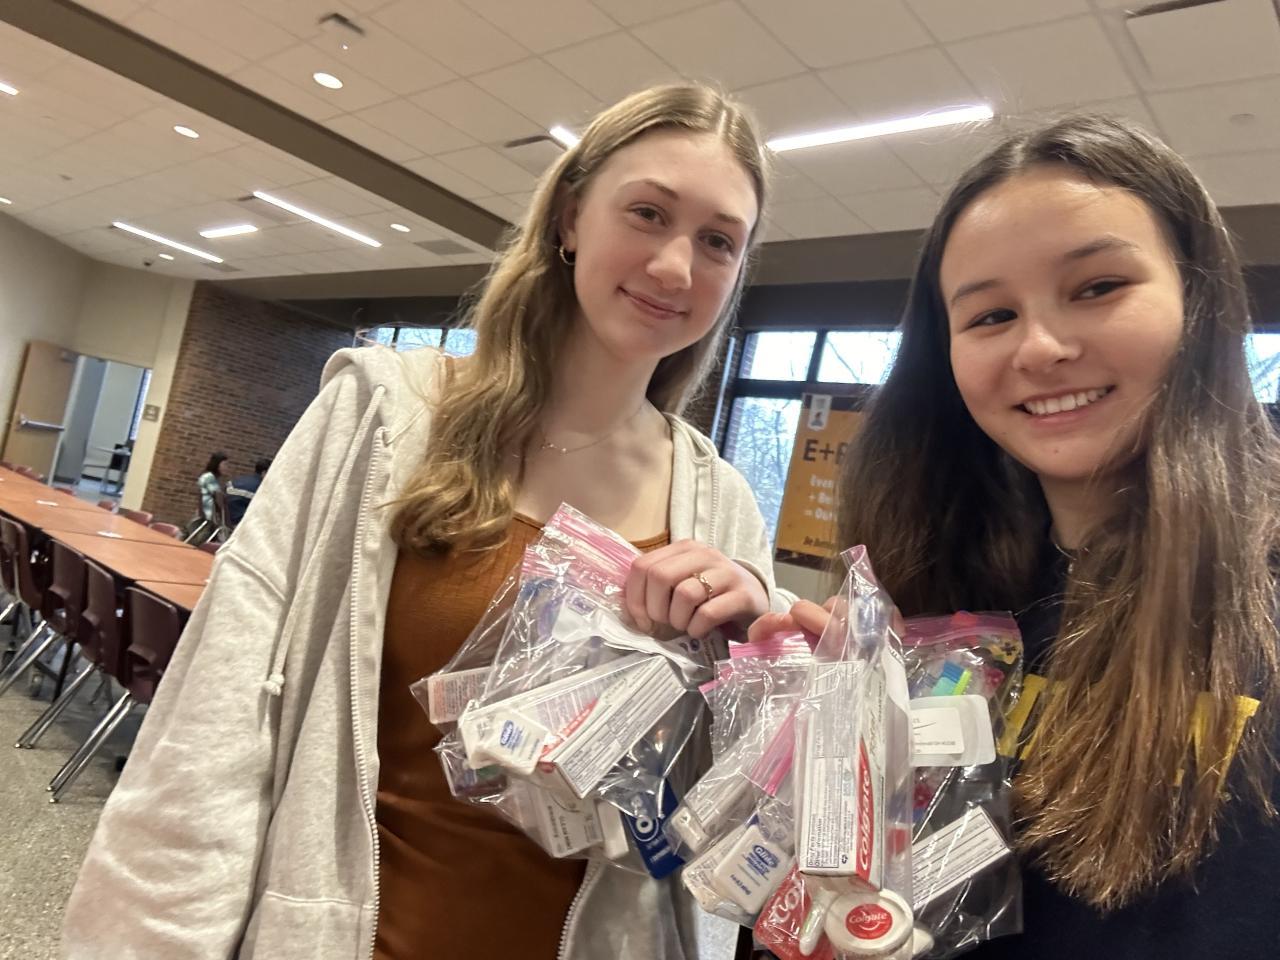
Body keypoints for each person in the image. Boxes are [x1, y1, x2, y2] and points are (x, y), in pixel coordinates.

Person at [63, 84, 788, 960]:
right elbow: (215, 726)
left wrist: (760, 667)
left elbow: (724, 825)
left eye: (718, 241)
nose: (675, 266)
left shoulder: (719, 505)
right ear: (569, 217)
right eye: (647, 213)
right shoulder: (385, 417)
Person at [756, 115, 1280, 957]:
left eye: (1097, 287)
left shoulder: (1262, 591)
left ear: (1199, 300)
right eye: (992, 314)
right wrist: (844, 739)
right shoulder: (940, 595)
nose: (1040, 347)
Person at [225, 457, 271, 526]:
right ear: (264, 473)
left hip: (226, 518)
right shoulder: (259, 488)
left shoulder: (238, 480)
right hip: (239, 522)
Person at [196, 451, 231, 525]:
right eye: (224, 464)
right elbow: (219, 499)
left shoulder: (208, 477)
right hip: (208, 518)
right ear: (217, 464)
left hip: (205, 517)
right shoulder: (209, 477)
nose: (226, 468)